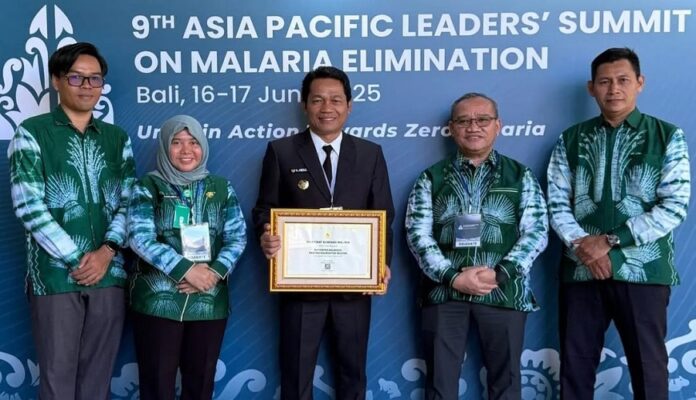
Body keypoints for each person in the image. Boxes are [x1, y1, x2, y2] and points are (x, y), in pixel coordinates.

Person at [547, 47, 690, 400]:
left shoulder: (667, 136)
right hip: (582, 269)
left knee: (649, 368)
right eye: (604, 81)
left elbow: (674, 206)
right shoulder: (570, 139)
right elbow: (556, 203)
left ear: (640, 83)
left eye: (623, 80)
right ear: (591, 88)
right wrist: (585, 248)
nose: (614, 89)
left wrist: (610, 242)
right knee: (575, 367)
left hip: (643, 271)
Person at [252, 66, 394, 400]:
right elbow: (264, 209)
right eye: (317, 100)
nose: (326, 107)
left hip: (355, 287)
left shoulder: (370, 153)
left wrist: (381, 263)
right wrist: (266, 233)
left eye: (335, 99)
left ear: (349, 105)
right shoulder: (281, 151)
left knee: (353, 374)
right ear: (305, 105)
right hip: (300, 288)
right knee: (296, 374)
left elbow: (383, 214)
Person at [7, 42, 135, 399]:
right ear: (57, 81)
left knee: (97, 381)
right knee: (57, 378)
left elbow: (130, 202)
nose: (87, 86)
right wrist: (78, 258)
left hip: (109, 273)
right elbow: (29, 207)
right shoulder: (32, 133)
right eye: (76, 77)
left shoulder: (116, 138)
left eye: (95, 79)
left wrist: (106, 253)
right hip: (55, 277)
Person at [405, 92, 549, 399]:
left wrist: (501, 273)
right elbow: (417, 234)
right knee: (440, 385)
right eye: (464, 121)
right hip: (444, 292)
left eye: (482, 119)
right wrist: (452, 277)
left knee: (506, 384)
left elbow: (536, 231)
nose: (473, 127)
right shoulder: (430, 178)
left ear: (498, 125)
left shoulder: (521, 175)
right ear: (451, 128)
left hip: (503, 291)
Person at [127, 115, 247, 399]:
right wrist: (187, 270)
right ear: (164, 147)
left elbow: (237, 237)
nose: (186, 150)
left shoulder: (222, 187)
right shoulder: (148, 186)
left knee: (200, 385)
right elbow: (139, 237)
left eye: (193, 142)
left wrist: (212, 274)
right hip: (158, 303)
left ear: (203, 146)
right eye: (176, 142)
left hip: (208, 300)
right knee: (157, 386)